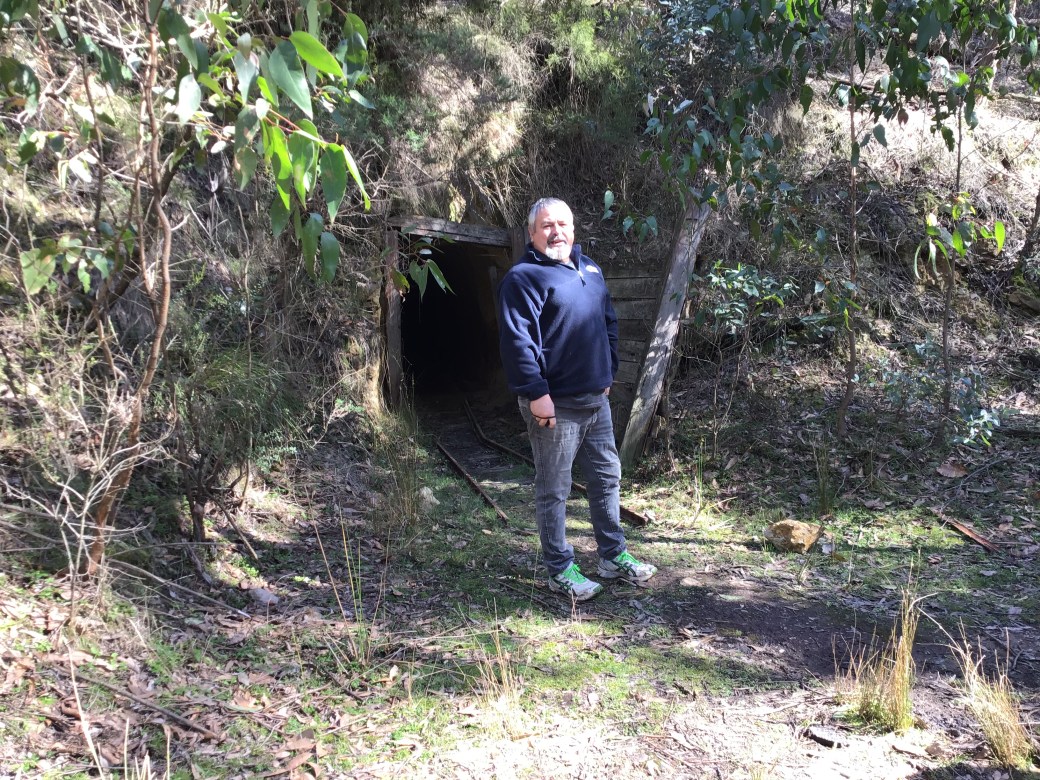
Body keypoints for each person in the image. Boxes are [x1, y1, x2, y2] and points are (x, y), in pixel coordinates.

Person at [497, 197, 657, 601]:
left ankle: (612, 556)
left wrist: (608, 371)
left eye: (563, 224)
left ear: (573, 228)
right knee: (555, 489)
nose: (557, 232)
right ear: (532, 233)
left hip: (595, 401)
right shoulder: (523, 278)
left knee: (606, 478)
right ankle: (559, 570)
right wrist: (537, 394)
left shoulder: (590, 269)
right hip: (556, 405)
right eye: (547, 226)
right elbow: (517, 342)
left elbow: (608, 322)